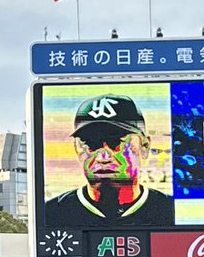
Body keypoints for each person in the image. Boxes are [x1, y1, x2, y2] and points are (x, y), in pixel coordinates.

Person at [44, 94, 174, 227]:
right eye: (91, 143)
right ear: (77, 149)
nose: (103, 157)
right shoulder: (51, 214)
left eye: (115, 142)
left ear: (144, 146)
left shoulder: (172, 211)